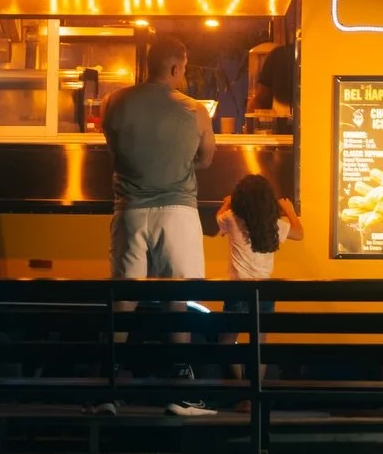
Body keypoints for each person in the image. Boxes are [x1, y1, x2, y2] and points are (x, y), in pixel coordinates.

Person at [101, 33, 216, 414]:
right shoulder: (194, 110)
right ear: (174, 67)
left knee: (124, 302)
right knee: (176, 301)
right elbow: (208, 158)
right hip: (178, 211)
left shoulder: (114, 102)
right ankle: (181, 390)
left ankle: (108, 389)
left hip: (130, 210)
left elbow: (113, 149)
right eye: (182, 70)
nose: (183, 77)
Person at [216, 174, 304, 404]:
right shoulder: (274, 225)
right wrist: (289, 209)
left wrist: (227, 201)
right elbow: (299, 233)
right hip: (265, 292)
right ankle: (254, 396)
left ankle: (239, 390)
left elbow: (218, 218)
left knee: (226, 342)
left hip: (237, 291)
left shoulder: (231, 218)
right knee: (260, 345)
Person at [248, 38, 296, 121]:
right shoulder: (279, 55)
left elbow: (260, 99)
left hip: (283, 123)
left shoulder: (280, 55)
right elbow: (260, 100)